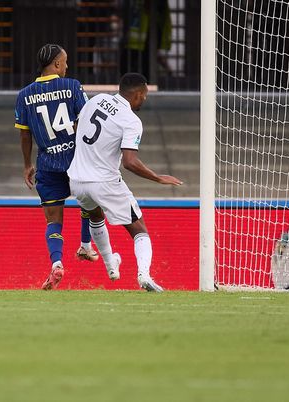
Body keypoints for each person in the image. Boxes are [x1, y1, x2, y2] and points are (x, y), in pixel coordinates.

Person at [67, 73, 183, 292]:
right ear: (138, 94)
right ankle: (144, 275)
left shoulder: (96, 100)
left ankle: (111, 266)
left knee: (95, 216)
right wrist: (158, 178)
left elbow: (76, 127)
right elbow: (130, 162)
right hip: (104, 182)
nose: (145, 100)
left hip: (77, 180)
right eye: (145, 95)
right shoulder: (131, 121)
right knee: (139, 231)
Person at [15, 43, 99, 291]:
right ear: (57, 64)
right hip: (76, 160)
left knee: (53, 220)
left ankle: (57, 263)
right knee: (89, 204)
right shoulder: (72, 86)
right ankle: (85, 245)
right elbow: (88, 120)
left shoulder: (24, 95)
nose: (67, 66)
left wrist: (27, 164)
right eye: (66, 61)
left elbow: (24, 136)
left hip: (47, 163)